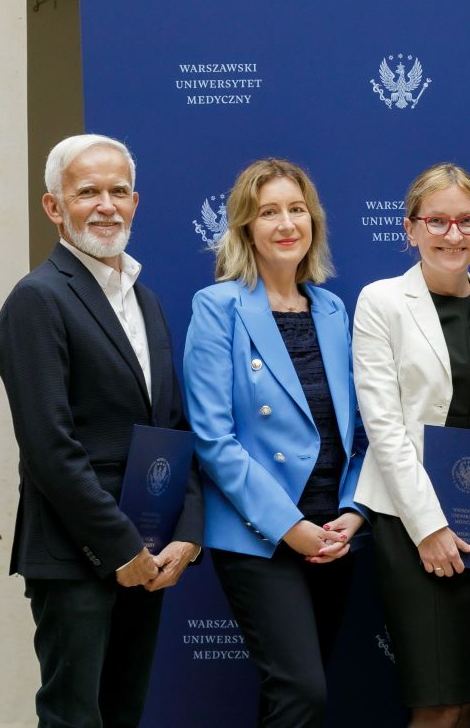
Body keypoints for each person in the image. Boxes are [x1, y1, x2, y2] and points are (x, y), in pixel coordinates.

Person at [0, 134, 203, 728]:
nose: (106, 205)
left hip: (151, 553)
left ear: (136, 202)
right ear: (54, 207)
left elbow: (174, 428)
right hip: (78, 554)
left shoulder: (147, 302)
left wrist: (186, 532)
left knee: (123, 715)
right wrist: (119, 548)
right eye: (87, 192)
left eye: (118, 191)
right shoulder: (37, 300)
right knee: (74, 719)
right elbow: (49, 449)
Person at [182, 158, 366, 728]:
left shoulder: (333, 309)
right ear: (245, 227)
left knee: (288, 696)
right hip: (262, 535)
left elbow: (360, 436)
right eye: (268, 213)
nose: (287, 223)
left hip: (333, 533)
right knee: (302, 692)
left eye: (296, 209)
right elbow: (214, 440)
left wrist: (354, 514)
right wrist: (291, 527)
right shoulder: (218, 308)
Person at [353, 163, 470, 728]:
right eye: (437, 221)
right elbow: (383, 427)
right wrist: (428, 527)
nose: (452, 235)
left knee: (465, 696)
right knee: (435, 699)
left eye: (466, 222)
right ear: (410, 229)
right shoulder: (380, 302)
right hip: (411, 525)